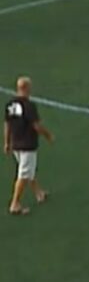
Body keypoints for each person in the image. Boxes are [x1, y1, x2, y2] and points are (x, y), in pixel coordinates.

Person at [4, 77, 54, 216]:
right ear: (26, 88)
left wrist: (7, 142)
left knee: (27, 170)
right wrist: (48, 135)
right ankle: (15, 204)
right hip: (27, 144)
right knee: (24, 174)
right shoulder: (29, 105)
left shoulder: (10, 105)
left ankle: (39, 193)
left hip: (16, 143)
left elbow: (7, 124)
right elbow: (36, 126)